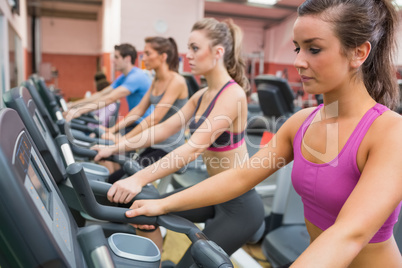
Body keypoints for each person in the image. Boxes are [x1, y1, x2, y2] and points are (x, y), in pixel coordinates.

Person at [124, 1, 402, 267]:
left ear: (359, 53)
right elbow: (241, 176)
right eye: (297, 49)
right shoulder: (301, 122)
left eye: (314, 49)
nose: (299, 62)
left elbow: (348, 235)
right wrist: (162, 204)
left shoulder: (389, 132)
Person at [92, 18, 265, 266]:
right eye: (189, 48)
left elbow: (192, 149)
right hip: (213, 192)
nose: (188, 56)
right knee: (144, 212)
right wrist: (114, 146)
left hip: (240, 205)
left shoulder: (233, 94)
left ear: (218, 52)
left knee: (190, 262)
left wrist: (139, 178)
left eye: (195, 48)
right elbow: (162, 129)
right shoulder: (202, 94)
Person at [95, 36, 189, 182]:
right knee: (118, 176)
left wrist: (123, 141)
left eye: (147, 53)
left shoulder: (176, 81)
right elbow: (138, 110)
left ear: (163, 56)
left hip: (170, 149)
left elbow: (154, 118)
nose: (143, 58)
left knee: (118, 181)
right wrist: (112, 130)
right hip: (155, 144)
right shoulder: (156, 80)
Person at [65, 44, 153, 128]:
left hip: (144, 125)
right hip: (135, 123)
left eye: (116, 57)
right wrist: (72, 105)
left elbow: (110, 98)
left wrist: (79, 111)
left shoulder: (136, 77)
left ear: (127, 59)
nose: (113, 60)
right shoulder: (123, 77)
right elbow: (101, 94)